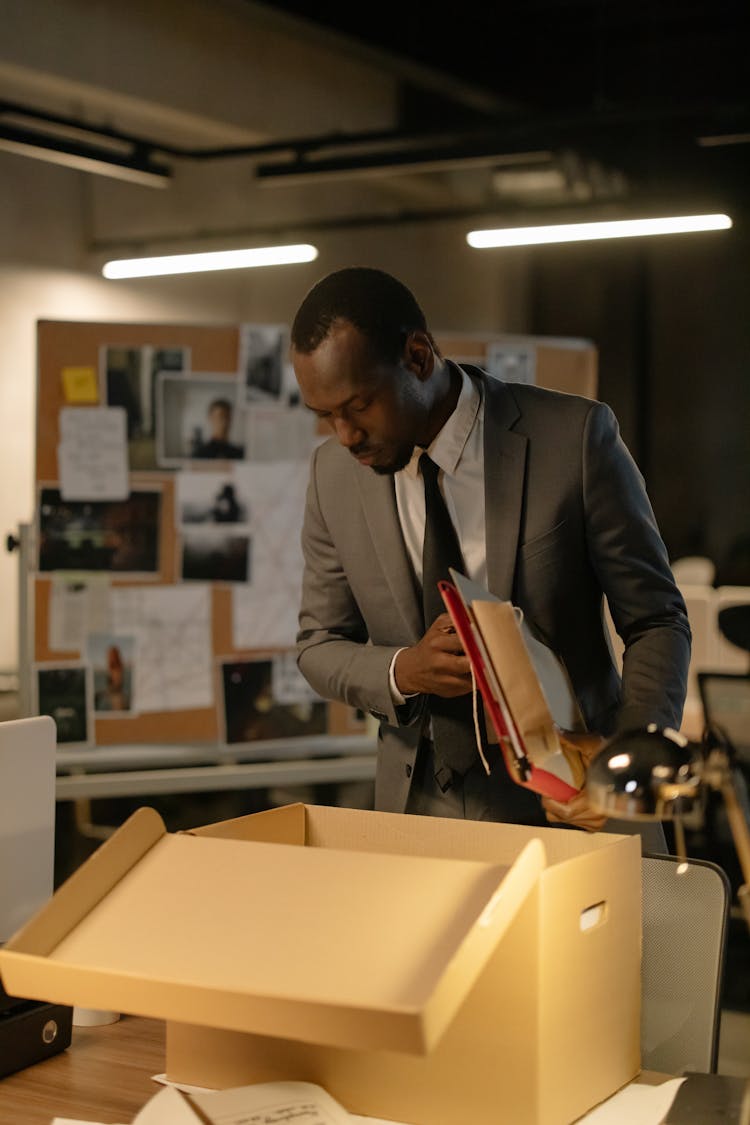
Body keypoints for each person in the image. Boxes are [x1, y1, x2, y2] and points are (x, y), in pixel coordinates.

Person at [291, 266, 691, 843]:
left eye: (358, 405)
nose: (344, 434)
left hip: (576, 805)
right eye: (324, 416)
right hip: (416, 815)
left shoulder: (573, 439)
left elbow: (657, 619)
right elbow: (318, 646)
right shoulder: (331, 475)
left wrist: (625, 764)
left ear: (418, 356)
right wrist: (405, 669)